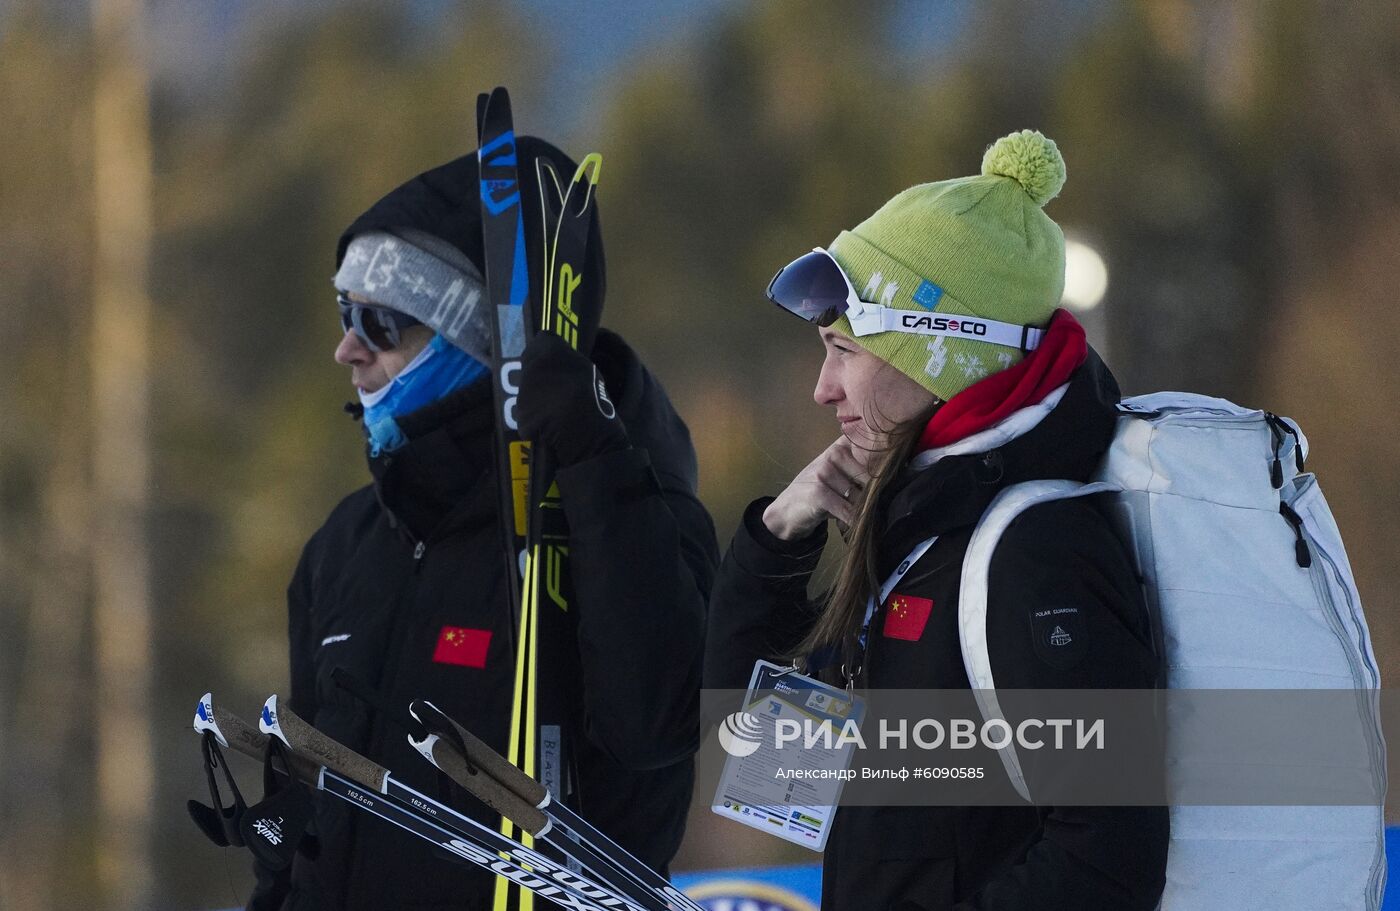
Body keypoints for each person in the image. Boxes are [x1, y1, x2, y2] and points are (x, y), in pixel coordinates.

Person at [251, 136, 718, 910]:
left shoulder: (623, 515)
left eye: (381, 322)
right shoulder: (348, 541)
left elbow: (655, 732)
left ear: (473, 339)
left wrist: (598, 463)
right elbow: (299, 811)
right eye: (343, 313)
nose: (346, 349)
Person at [704, 130, 1168, 910]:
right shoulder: (923, 538)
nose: (823, 388)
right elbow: (769, 759)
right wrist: (780, 537)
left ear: (939, 348)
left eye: (844, 350)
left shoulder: (1032, 550)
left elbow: (1109, 859)